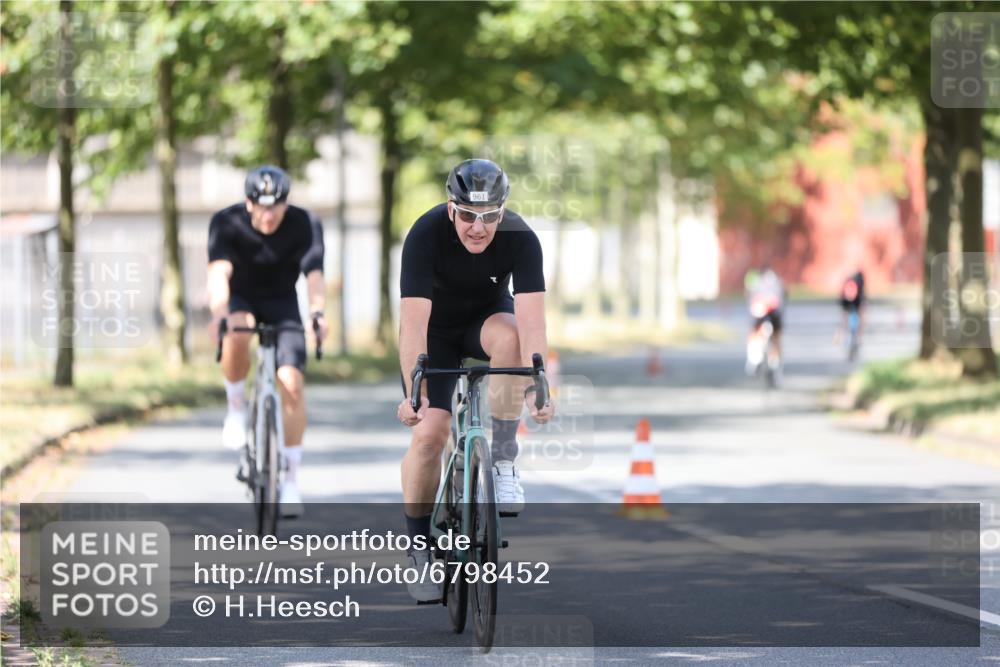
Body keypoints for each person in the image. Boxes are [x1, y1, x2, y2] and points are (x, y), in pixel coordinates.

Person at [395, 158, 555, 601]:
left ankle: (502, 458)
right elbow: (412, 325)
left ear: (502, 211)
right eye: (467, 215)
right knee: (431, 433)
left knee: (511, 339)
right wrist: (416, 392)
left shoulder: (521, 238)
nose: (478, 227)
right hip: (435, 332)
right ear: (451, 209)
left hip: (487, 318)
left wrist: (538, 383)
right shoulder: (425, 234)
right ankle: (418, 546)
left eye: (489, 217)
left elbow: (533, 320)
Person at [206, 165, 328, 518]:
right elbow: (219, 274)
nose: (269, 214)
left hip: (282, 303)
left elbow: (315, 274)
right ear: (248, 203)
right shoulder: (226, 222)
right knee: (238, 329)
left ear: (287, 203)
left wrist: (318, 313)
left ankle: (290, 480)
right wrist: (219, 313)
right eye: (261, 206)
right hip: (241, 298)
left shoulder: (305, 223)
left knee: (290, 382)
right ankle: (235, 408)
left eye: (277, 206)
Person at [745, 265, 786, 379]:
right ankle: (774, 363)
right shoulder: (778, 283)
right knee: (776, 337)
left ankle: (754, 359)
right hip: (771, 314)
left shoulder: (756, 284)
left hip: (761, 313)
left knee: (755, 333)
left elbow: (751, 303)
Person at [838, 268, 866, 348]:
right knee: (857, 317)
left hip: (850, 301)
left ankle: (848, 336)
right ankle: (857, 337)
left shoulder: (851, 284)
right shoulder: (856, 284)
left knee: (846, 318)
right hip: (851, 301)